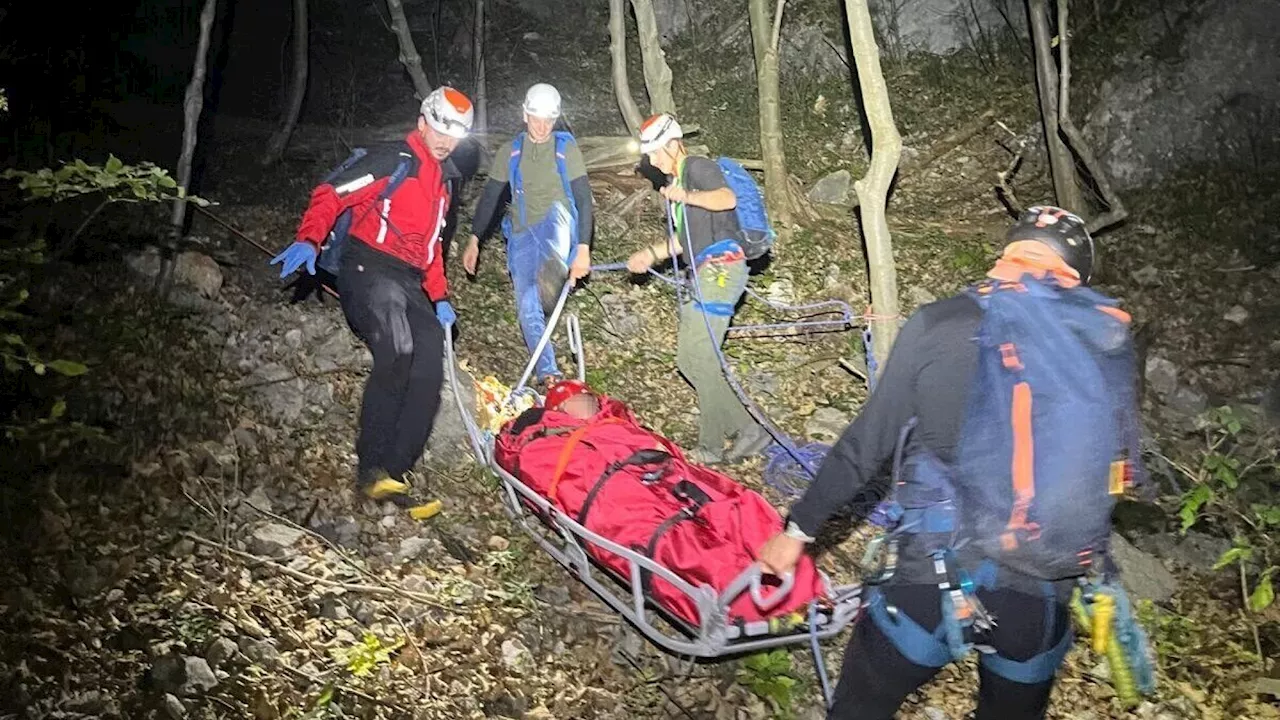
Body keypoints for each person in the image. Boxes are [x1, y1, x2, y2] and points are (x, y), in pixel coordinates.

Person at [758, 206, 1143, 720]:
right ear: (1077, 274)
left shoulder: (939, 322)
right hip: (1042, 588)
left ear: (1009, 250)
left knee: (859, 709)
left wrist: (798, 530)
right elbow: (1110, 471)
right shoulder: (1104, 343)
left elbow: (867, 442)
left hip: (932, 569)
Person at [269, 86, 474, 515]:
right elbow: (333, 193)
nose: (444, 140)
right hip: (368, 267)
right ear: (423, 122)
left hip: (411, 280)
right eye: (439, 128)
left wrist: (440, 297)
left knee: (428, 370)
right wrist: (310, 238)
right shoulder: (393, 160)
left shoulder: (445, 183)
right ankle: (370, 465)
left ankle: (392, 476)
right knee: (397, 350)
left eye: (454, 135)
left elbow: (432, 246)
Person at [625, 113, 770, 465]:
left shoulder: (699, 167)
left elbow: (726, 199)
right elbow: (683, 241)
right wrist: (650, 254)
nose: (654, 161)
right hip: (705, 272)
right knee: (688, 361)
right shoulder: (681, 184)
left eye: (657, 152)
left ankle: (711, 447)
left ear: (674, 144)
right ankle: (748, 430)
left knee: (702, 358)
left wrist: (685, 195)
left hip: (722, 271)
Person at [463, 83, 595, 388]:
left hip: (556, 222)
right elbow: (492, 195)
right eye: (536, 118)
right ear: (524, 114)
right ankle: (548, 373)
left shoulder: (566, 149)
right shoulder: (511, 151)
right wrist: (474, 239)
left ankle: (554, 269)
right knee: (526, 305)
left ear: (556, 119)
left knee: (558, 217)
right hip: (522, 232)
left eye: (548, 120)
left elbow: (584, 198)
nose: (541, 126)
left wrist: (584, 249)